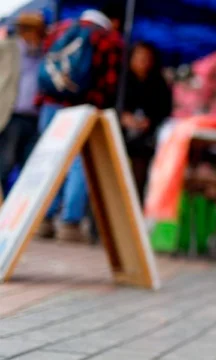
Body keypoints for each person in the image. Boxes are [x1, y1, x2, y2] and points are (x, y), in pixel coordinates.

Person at [36, 4, 124, 242]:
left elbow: (44, 62)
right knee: (79, 164)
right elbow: (109, 81)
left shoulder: (61, 28)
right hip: (82, 107)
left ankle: (41, 219)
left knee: (46, 160)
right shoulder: (109, 38)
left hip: (51, 104)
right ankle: (70, 223)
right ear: (115, 19)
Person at [0, 12, 46, 194]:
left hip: (34, 117)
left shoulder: (42, 52)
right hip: (12, 114)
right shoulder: (8, 48)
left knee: (28, 165)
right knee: (5, 163)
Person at [121, 41, 172, 202]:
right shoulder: (122, 81)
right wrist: (123, 117)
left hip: (144, 142)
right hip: (120, 136)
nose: (142, 61)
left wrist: (150, 121)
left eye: (146, 58)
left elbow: (165, 110)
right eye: (139, 57)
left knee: (138, 180)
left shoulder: (158, 83)